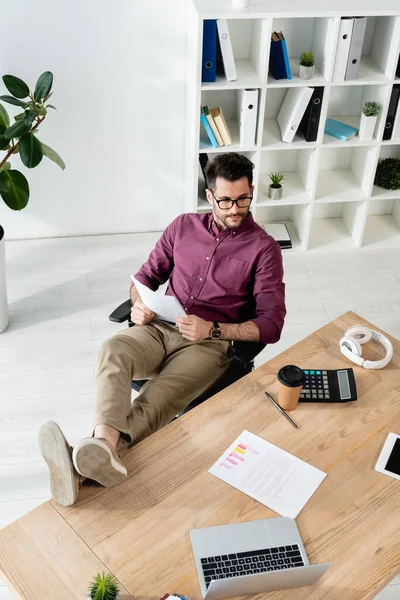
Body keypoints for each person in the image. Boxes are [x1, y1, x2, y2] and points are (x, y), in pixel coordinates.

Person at [39, 152, 286, 506]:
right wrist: (139, 304)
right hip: (160, 326)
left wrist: (213, 330)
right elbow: (143, 278)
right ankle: (100, 451)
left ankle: (84, 460)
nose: (236, 209)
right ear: (210, 195)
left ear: (251, 192)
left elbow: (271, 324)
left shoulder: (263, 250)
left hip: (208, 345)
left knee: (156, 397)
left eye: (244, 198)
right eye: (227, 200)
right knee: (114, 349)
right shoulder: (183, 226)